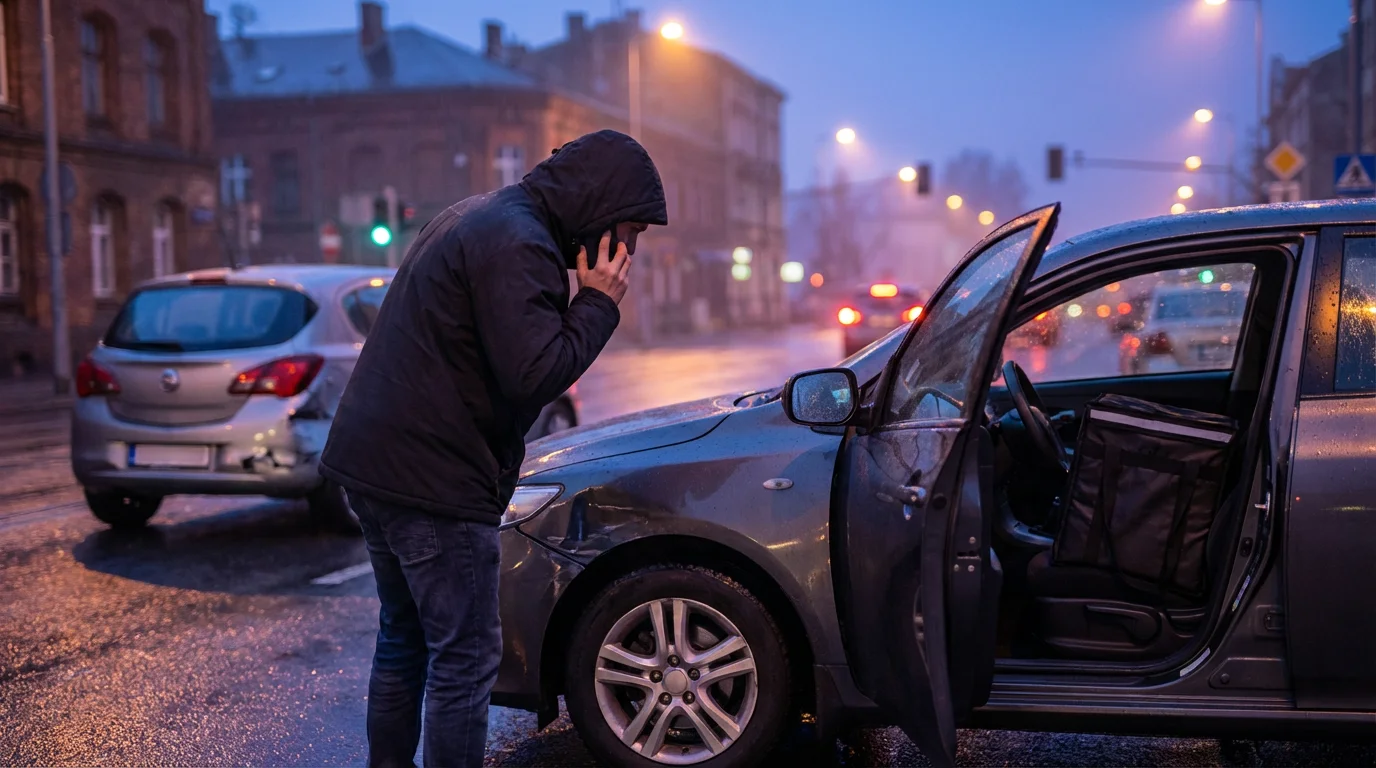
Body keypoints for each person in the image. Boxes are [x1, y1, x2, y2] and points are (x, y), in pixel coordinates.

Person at [319, 129, 667, 768]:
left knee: (405, 639)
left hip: (376, 464)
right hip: (432, 481)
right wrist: (597, 303)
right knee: (465, 657)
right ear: (599, 209)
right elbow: (534, 374)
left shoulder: (485, 215)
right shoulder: (521, 244)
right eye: (630, 232)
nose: (627, 251)